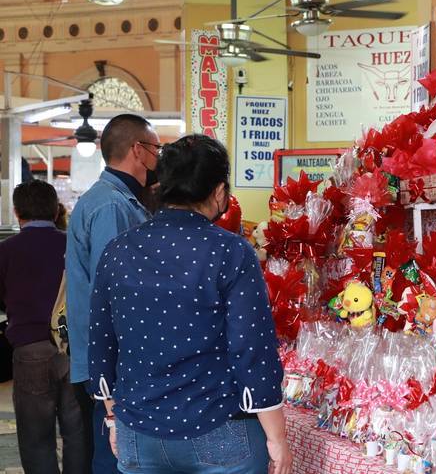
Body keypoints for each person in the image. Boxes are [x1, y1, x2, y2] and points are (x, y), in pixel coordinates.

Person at [88, 134, 293, 474]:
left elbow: (101, 342)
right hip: (221, 430)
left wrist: (112, 419)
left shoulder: (118, 251)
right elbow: (253, 351)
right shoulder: (231, 251)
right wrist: (278, 439)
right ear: (218, 192)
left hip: (137, 431)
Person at [66, 114, 161, 474]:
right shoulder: (112, 206)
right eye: (156, 149)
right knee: (115, 455)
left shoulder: (121, 201)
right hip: (112, 361)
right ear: (138, 150)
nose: (158, 159)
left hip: (111, 359)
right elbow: (115, 294)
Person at [0, 180, 88, 473]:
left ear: (16, 212)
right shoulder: (73, 245)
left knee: (36, 437)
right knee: (77, 433)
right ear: (55, 210)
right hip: (74, 349)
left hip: (29, 350)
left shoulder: (6, 250)